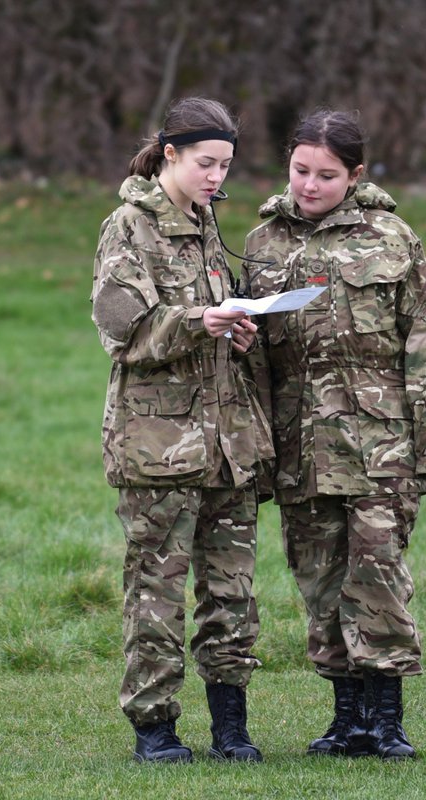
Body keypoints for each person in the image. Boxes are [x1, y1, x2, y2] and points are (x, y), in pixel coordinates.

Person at [242, 109, 426, 761]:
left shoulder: (393, 239)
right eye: (300, 170)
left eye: (327, 175)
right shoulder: (261, 245)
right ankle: (346, 721)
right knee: (320, 581)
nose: (310, 185)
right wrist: (252, 453)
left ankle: (387, 721)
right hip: (299, 446)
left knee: (378, 577)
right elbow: (251, 362)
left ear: (356, 175)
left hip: (381, 447)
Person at [90, 97, 274, 764]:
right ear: (169, 153)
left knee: (232, 594)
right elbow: (124, 331)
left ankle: (231, 728)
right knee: (156, 594)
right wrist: (201, 321)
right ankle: (156, 730)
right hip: (159, 451)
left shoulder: (209, 226)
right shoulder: (129, 227)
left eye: (225, 165)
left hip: (230, 449)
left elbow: (217, 326)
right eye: (205, 163)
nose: (217, 177)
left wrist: (242, 327)